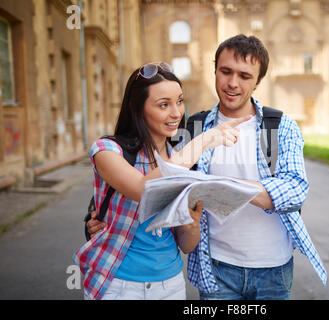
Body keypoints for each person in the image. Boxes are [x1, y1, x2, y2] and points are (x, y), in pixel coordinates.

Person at [87, 35, 327, 300]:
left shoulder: (280, 126)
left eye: (245, 76)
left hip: (273, 266)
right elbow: (142, 182)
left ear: (258, 81)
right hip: (216, 267)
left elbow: (295, 190)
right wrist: (94, 218)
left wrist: (229, 188)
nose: (232, 83)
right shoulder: (192, 131)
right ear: (215, 71)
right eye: (225, 72)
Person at [74, 62, 250, 300]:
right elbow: (143, 189)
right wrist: (203, 141)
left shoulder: (182, 160)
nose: (176, 113)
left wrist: (192, 226)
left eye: (179, 101)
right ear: (138, 109)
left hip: (170, 285)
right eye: (163, 105)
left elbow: (186, 245)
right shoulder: (107, 150)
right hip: (118, 284)